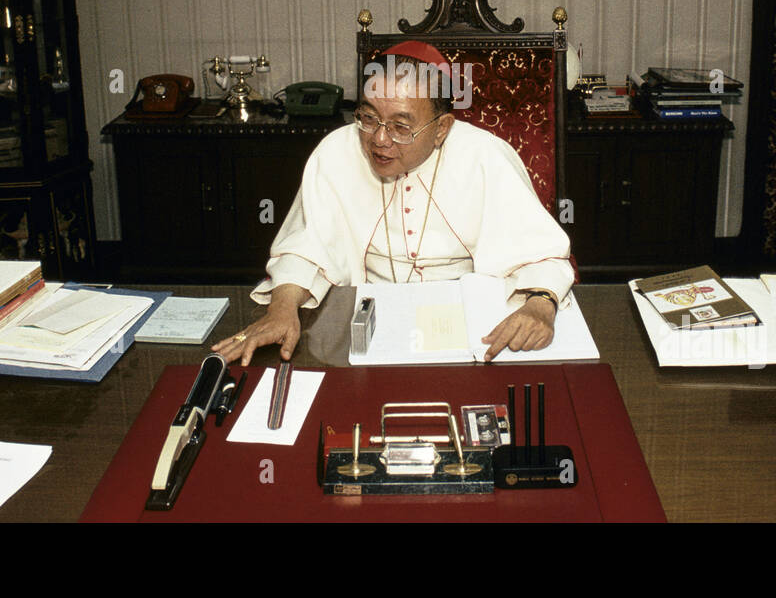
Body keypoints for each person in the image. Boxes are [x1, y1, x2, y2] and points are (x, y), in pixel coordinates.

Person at [213, 40, 574, 366]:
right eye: (369, 118)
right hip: (365, 319)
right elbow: (307, 250)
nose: (380, 140)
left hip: (467, 325)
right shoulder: (336, 152)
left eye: (401, 127)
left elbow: (541, 254)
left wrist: (540, 306)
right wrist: (282, 308)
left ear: (442, 128)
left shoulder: (485, 156)